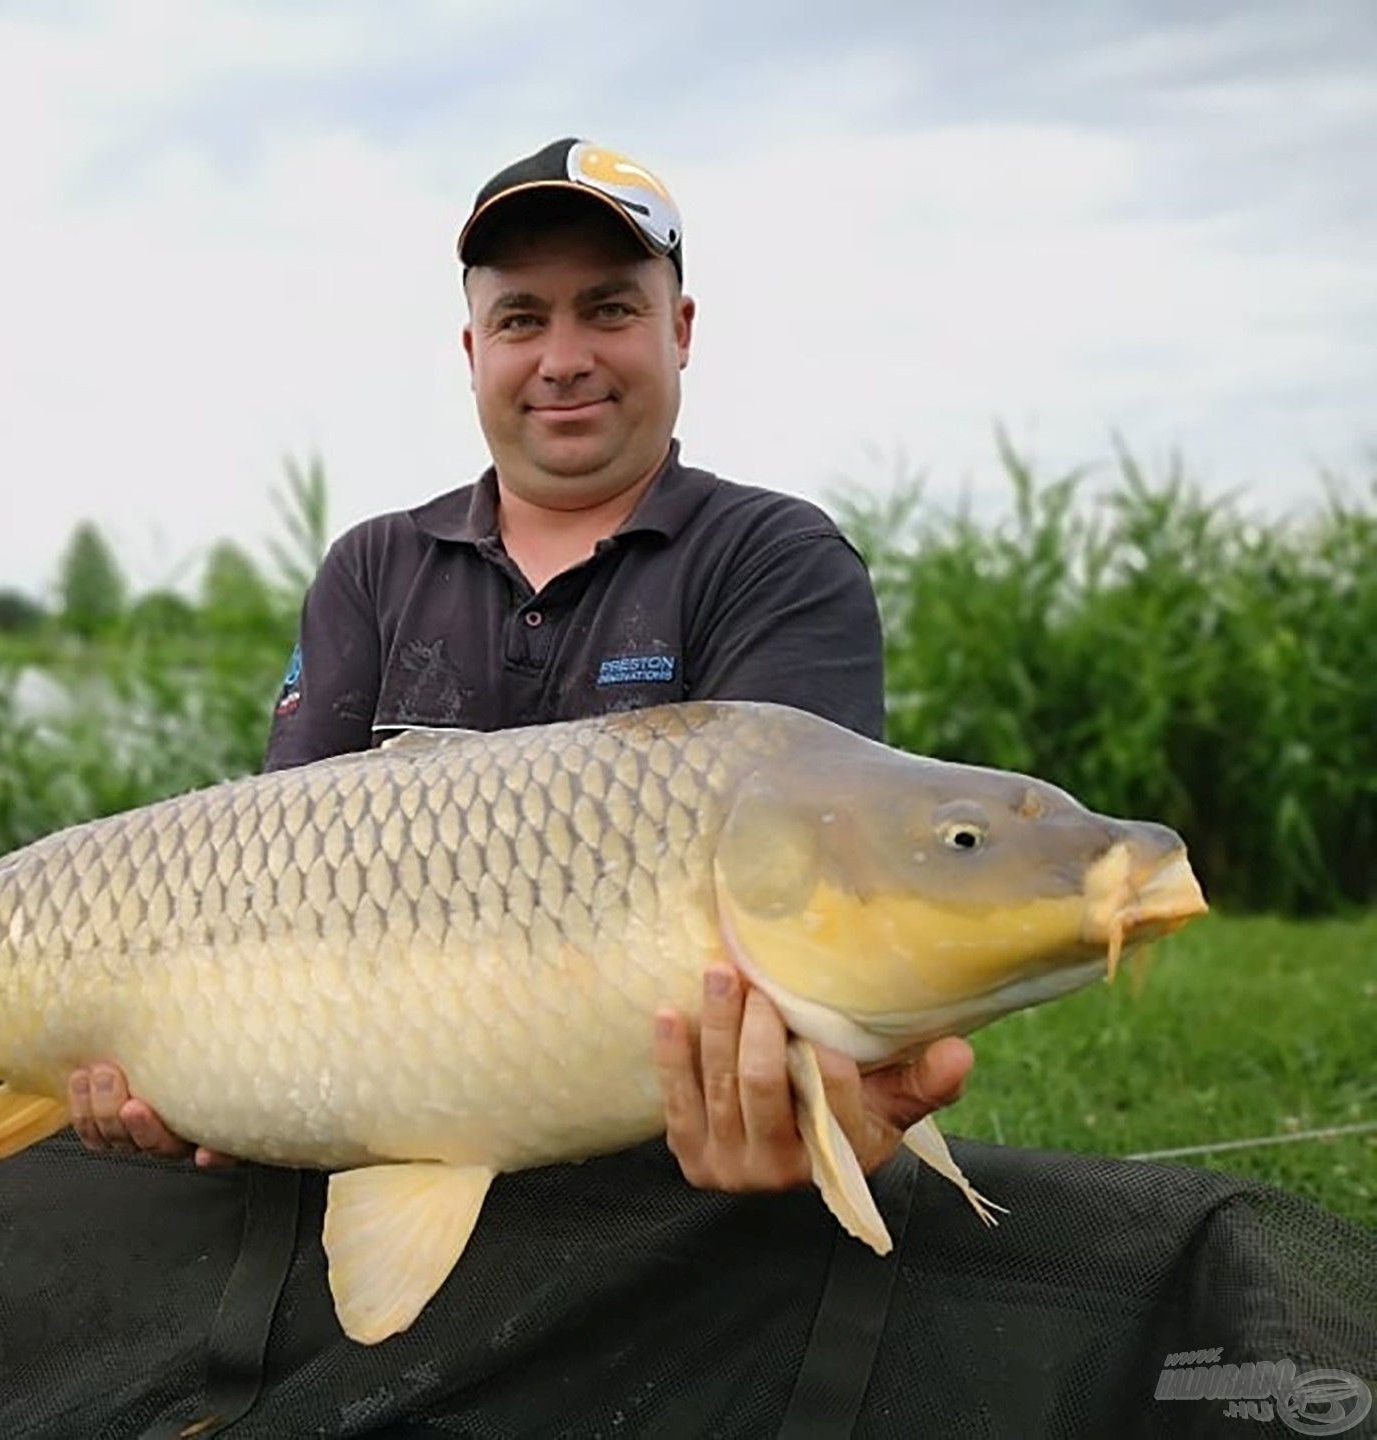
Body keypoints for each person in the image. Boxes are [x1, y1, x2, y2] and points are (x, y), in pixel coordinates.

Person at [69, 137, 973, 1188]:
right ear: (472, 350)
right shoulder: (375, 565)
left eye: (609, 309)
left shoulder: (773, 558)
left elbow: (811, 911)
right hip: (376, 1104)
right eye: (521, 320)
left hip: (656, 1183)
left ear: (680, 332)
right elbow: (275, 875)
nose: (563, 357)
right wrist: (202, 1078)